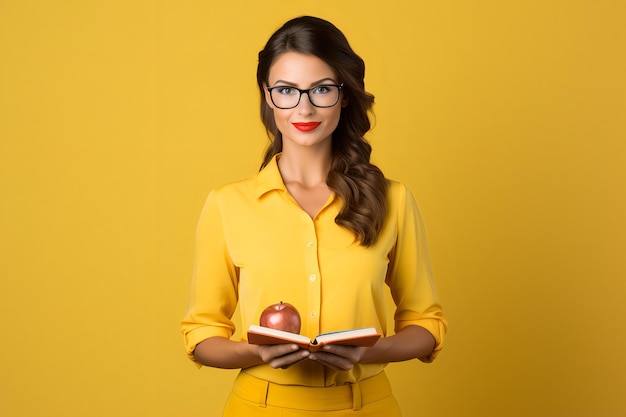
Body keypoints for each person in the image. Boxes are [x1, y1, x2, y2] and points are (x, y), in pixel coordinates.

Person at [181, 16, 447, 416]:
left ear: (344, 95)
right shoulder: (227, 204)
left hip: (368, 404)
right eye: (287, 90)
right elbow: (201, 334)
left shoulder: (393, 200)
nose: (303, 107)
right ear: (268, 97)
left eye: (321, 89)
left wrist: (372, 350)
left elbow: (426, 324)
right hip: (261, 406)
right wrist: (256, 351)